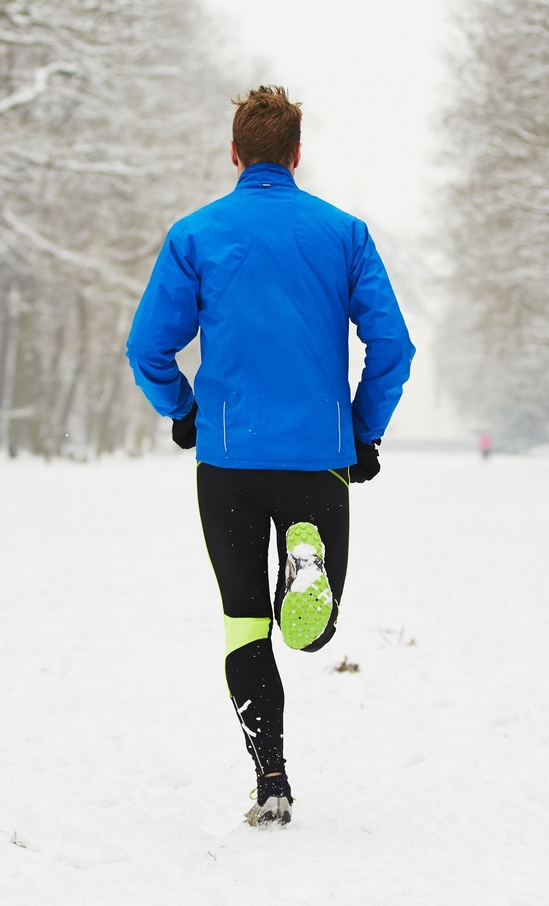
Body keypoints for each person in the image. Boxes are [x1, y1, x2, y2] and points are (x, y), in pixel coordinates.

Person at [126, 86, 414, 827]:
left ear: (234, 153)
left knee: (243, 624)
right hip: (317, 459)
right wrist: (363, 429)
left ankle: (272, 779)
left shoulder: (196, 235)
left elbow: (148, 346)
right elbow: (391, 344)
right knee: (308, 630)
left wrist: (183, 411)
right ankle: (307, 563)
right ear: (295, 154)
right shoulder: (343, 234)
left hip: (228, 463)